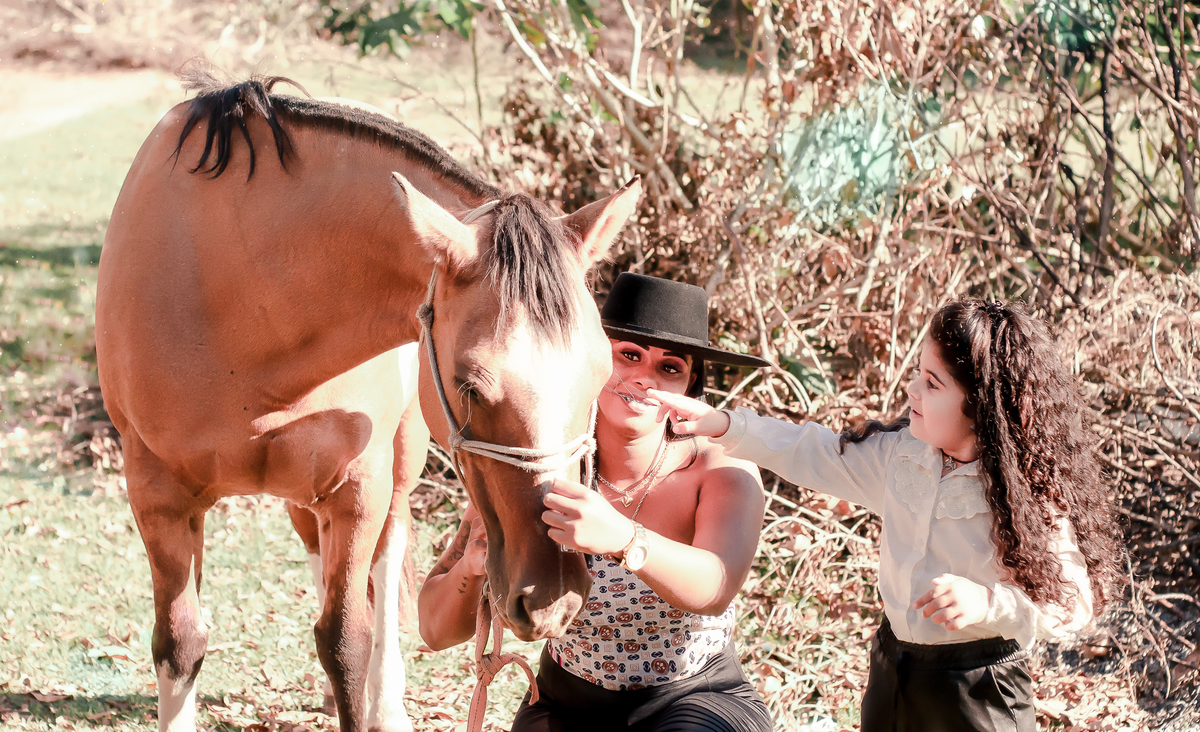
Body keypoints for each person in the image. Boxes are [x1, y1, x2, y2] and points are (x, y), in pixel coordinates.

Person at [651, 297, 1122, 732]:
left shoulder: (1026, 493)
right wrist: (725, 424)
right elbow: (812, 451)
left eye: (932, 383)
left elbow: (1073, 604)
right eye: (918, 373)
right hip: (892, 672)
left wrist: (987, 603)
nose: (912, 389)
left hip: (979, 690)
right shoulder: (901, 455)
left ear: (981, 405)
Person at [419, 273, 775, 732]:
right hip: (566, 702)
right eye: (629, 355)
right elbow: (434, 630)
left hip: (695, 698)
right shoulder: (538, 468)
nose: (644, 378)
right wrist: (472, 567)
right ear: (593, 361)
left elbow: (715, 588)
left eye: (670, 368)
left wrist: (625, 539)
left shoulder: (721, 470)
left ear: (689, 387)